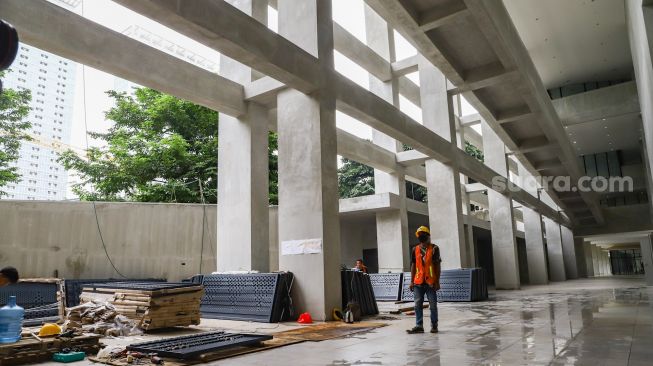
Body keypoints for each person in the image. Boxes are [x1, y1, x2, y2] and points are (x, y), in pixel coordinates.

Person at [407, 226, 441, 334]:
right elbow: (413, 266)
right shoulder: (415, 249)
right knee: (417, 305)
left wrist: (437, 281)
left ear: (427, 235)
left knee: (433, 305)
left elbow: (437, 266)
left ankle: (434, 325)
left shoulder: (435, 248)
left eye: (423, 233)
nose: (421, 235)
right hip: (418, 282)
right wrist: (412, 281)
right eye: (419, 234)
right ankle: (419, 325)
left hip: (430, 282)